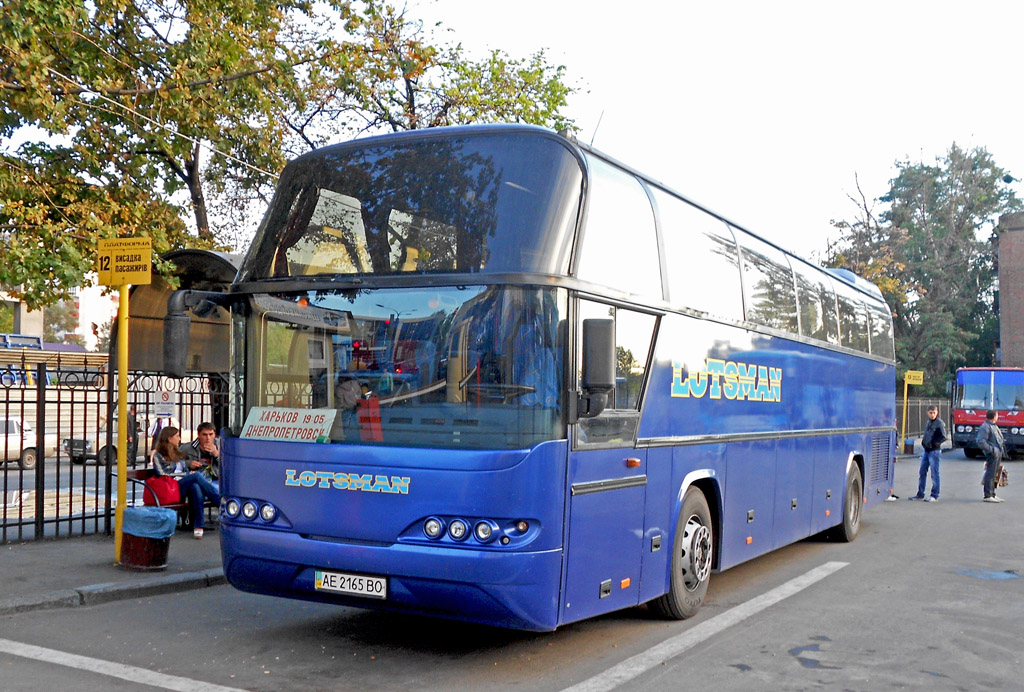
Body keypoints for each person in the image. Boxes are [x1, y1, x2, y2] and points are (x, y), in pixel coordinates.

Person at [152, 427, 221, 538]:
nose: (179, 439)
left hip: (181, 485)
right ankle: (221, 504)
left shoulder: (178, 452)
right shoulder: (158, 455)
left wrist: (188, 471)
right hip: (170, 487)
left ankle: (198, 526)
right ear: (169, 439)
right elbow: (163, 475)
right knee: (196, 476)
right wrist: (187, 475)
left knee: (195, 487)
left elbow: (183, 469)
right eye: (177, 436)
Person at [909, 406, 946, 502]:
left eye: (934, 412)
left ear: (937, 412)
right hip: (926, 450)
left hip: (934, 451)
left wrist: (934, 443)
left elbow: (943, 436)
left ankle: (935, 495)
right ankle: (920, 493)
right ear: (927, 413)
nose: (932, 414)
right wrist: (924, 443)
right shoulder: (928, 422)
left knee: (935, 473)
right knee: (922, 472)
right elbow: (926, 434)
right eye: (930, 412)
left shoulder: (939, 423)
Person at [976, 410, 1007, 503]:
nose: (998, 417)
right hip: (992, 454)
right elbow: (980, 441)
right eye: (997, 415)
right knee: (990, 474)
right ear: (994, 416)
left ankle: (993, 493)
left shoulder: (993, 426)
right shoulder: (985, 427)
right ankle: (988, 495)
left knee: (994, 474)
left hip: (997, 453)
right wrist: (992, 450)